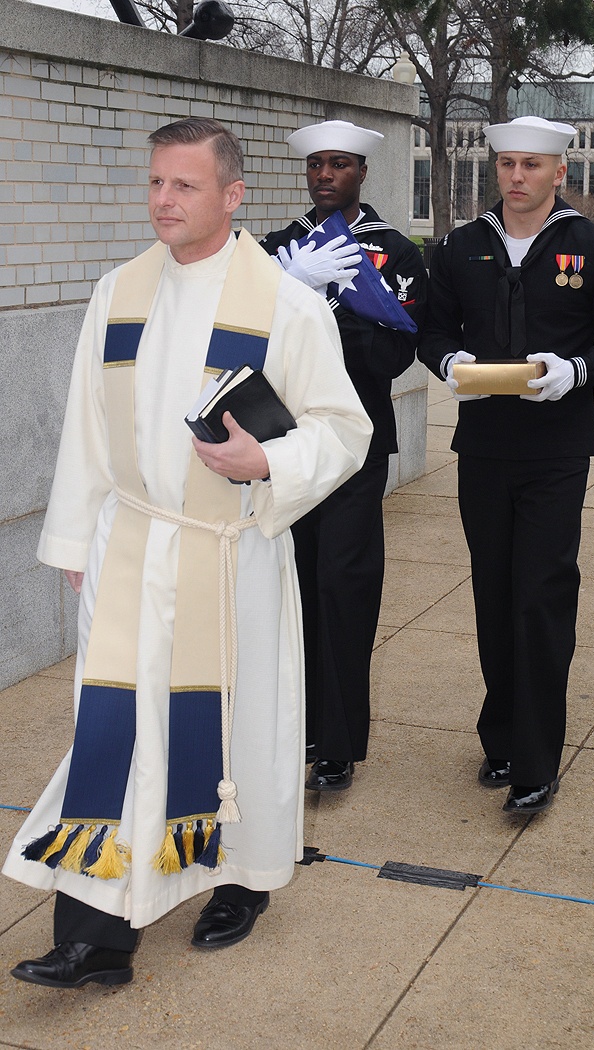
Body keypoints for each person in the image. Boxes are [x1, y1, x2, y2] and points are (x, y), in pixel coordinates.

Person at [3, 117, 372, 988]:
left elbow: (343, 430)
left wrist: (268, 461)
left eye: (185, 186)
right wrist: (73, 539)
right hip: (129, 545)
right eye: (156, 183)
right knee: (115, 727)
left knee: (237, 727)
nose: (163, 201)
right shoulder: (118, 291)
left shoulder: (285, 303)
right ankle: (94, 935)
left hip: (228, 552)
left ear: (233, 195)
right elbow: (88, 428)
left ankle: (240, 879)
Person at [418, 116, 594, 815]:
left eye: (531, 165)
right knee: (494, 595)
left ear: (559, 172)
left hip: (557, 450)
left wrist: (578, 369)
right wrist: (448, 360)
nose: (516, 177)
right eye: (506, 164)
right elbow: (430, 329)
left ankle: (538, 762)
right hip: (484, 448)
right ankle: (503, 741)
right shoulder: (461, 248)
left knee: (541, 598)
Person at [260, 120, 427, 792]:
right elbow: (249, 351)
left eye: (338, 165)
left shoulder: (395, 253)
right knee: (290, 588)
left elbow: (394, 354)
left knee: (344, 588)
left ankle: (337, 742)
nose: (324, 176)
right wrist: (293, 286)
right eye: (315, 167)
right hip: (284, 444)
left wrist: (332, 311)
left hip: (356, 443)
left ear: (362, 172)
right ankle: (294, 723)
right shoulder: (277, 249)